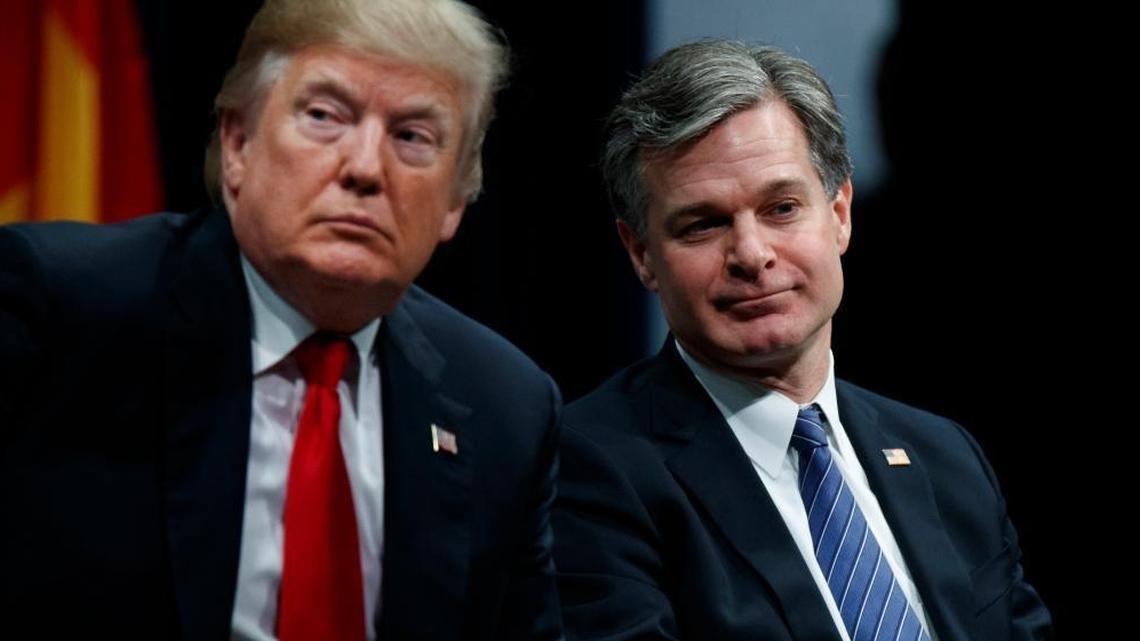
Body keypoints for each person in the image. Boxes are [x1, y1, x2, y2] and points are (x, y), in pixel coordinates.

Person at [0, 1, 562, 639]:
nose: (365, 168)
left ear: (456, 201)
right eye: (324, 116)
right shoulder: (62, 312)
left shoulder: (503, 406)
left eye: (412, 137)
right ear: (237, 144)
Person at [552, 40, 1051, 641]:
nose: (751, 254)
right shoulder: (590, 468)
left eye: (782, 208)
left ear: (840, 214)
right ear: (642, 254)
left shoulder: (947, 459)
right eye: (704, 224)